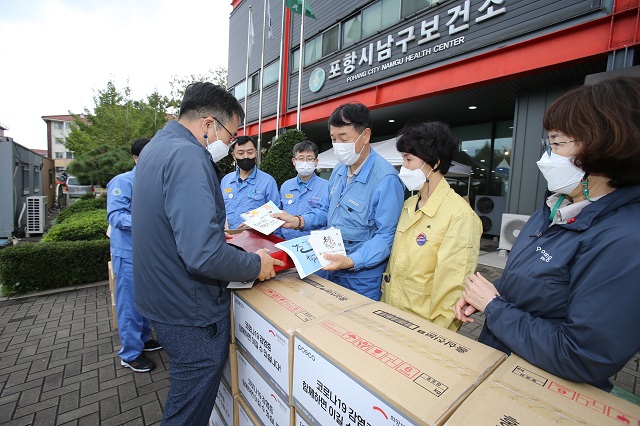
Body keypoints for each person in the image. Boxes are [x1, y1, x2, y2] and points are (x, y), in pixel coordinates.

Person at [454, 76, 640, 391]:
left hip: (541, 390)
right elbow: (541, 282)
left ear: (602, 146)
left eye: (556, 143)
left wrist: (494, 306)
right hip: (499, 369)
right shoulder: (554, 208)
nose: (546, 156)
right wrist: (488, 294)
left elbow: (583, 356)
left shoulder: (625, 238)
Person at [131, 82, 284, 424]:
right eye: (231, 134)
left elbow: (170, 224)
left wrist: (218, 229)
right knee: (188, 412)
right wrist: (254, 264)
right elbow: (202, 256)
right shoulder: (189, 156)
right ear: (209, 124)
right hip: (190, 310)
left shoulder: (158, 148)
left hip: (163, 299)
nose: (231, 144)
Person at [274, 102, 404, 300]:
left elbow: (386, 236)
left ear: (365, 135)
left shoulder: (386, 180)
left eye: (344, 138)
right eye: (334, 139)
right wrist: (299, 221)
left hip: (361, 276)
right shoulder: (339, 169)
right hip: (332, 266)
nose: (338, 145)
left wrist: (352, 260)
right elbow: (327, 210)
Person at [381, 122, 482, 331]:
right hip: (391, 315)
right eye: (402, 160)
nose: (404, 168)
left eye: (409, 160)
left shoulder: (460, 216)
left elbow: (451, 291)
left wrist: (435, 338)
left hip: (422, 326)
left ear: (434, 163)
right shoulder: (409, 205)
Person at [107, 137, 162, 373]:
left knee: (146, 299)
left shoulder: (155, 182)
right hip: (128, 252)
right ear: (136, 158)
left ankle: (143, 338)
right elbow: (116, 216)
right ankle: (129, 353)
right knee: (129, 303)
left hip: (149, 252)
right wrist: (150, 222)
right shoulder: (122, 182)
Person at [220, 136, 280, 229]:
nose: (246, 157)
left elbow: (276, 214)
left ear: (256, 153)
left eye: (250, 152)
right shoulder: (226, 181)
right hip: (228, 238)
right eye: (240, 153)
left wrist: (256, 224)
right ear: (234, 156)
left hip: (255, 239)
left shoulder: (268, 181)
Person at [277, 140, 329, 240]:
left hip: (313, 244)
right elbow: (279, 213)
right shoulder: (286, 186)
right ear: (294, 161)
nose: (305, 162)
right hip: (286, 242)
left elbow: (326, 216)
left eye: (309, 159)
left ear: (316, 162)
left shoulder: (326, 187)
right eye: (301, 159)